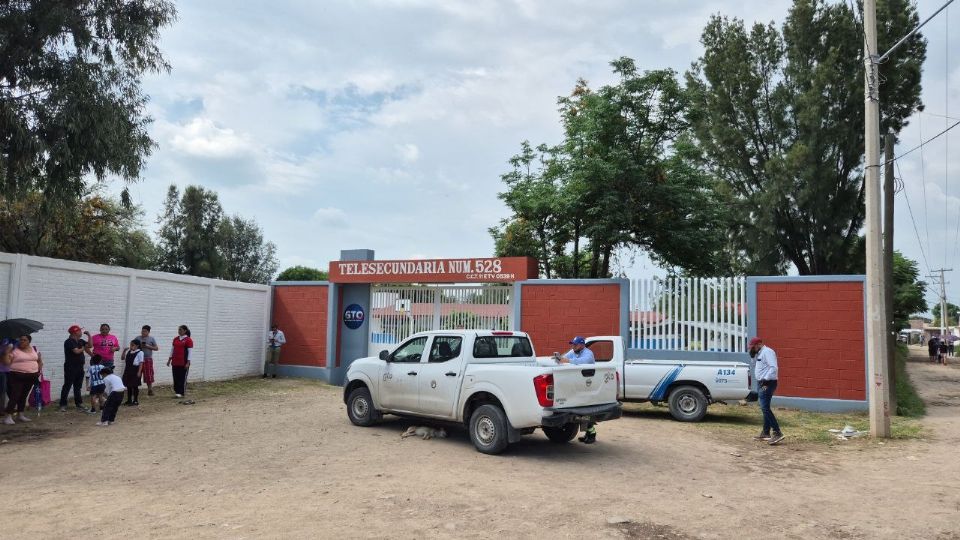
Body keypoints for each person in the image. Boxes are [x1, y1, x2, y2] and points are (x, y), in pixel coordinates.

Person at [557, 336, 598, 444]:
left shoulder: (588, 353)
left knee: (586, 411)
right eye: (572, 344)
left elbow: (582, 361)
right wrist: (559, 359)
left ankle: (592, 434)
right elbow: (564, 357)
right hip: (580, 385)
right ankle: (589, 433)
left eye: (575, 344)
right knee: (582, 411)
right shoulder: (573, 351)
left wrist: (567, 360)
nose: (573, 346)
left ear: (582, 345)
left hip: (589, 384)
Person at [749, 337, 785, 445]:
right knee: (765, 407)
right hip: (762, 382)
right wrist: (753, 356)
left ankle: (777, 432)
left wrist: (766, 380)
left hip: (767, 383)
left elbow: (773, 367)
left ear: (759, 344)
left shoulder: (767, 352)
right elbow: (758, 366)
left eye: (753, 347)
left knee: (764, 407)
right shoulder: (760, 353)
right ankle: (765, 432)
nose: (752, 349)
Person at [3, 334, 43, 425]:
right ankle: (8, 416)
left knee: (24, 395)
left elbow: (39, 361)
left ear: (29, 341)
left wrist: (39, 370)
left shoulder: (34, 349)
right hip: (17, 375)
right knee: (15, 395)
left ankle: (20, 414)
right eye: (20, 340)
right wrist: (6, 353)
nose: (22, 341)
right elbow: (7, 363)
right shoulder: (14, 350)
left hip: (31, 376)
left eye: (24, 340)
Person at [60, 325, 91, 412]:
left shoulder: (80, 341)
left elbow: (90, 345)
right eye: (79, 331)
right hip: (70, 367)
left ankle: (79, 403)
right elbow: (76, 351)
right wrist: (83, 348)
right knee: (67, 385)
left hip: (80, 366)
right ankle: (63, 404)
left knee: (78, 386)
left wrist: (89, 335)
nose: (81, 332)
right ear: (75, 332)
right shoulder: (69, 341)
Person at [167, 325, 193, 398]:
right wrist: (169, 360)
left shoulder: (188, 340)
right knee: (175, 377)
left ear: (185, 331)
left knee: (182, 377)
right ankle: (177, 392)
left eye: (181, 330)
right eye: (178, 330)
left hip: (183, 362)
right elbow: (172, 350)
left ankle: (181, 392)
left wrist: (188, 362)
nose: (179, 331)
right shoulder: (175, 339)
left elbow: (190, 352)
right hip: (175, 361)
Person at [121, 339, 144, 406]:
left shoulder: (140, 352)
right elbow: (122, 358)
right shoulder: (129, 351)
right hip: (128, 369)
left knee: (134, 386)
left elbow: (141, 363)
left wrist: (139, 372)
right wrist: (124, 351)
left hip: (135, 370)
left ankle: (135, 401)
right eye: (130, 345)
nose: (131, 346)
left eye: (132, 345)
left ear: (137, 346)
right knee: (129, 385)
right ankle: (129, 400)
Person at [137, 325, 159, 396]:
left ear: (148, 332)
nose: (143, 332)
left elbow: (156, 348)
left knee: (148, 374)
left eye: (145, 331)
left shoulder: (151, 339)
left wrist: (147, 346)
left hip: (148, 359)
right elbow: (132, 345)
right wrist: (139, 346)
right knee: (137, 373)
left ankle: (150, 390)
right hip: (138, 359)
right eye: (142, 331)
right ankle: (135, 389)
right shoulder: (137, 338)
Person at [0, 338, 13, 413]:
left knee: (7, 390)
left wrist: (7, 352)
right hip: (1, 371)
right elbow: (5, 360)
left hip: (7, 370)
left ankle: (8, 408)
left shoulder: (8, 342)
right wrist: (6, 352)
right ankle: (1, 410)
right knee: (2, 390)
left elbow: (8, 361)